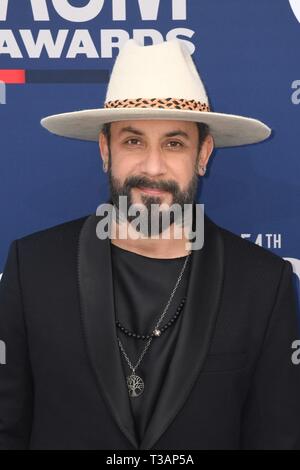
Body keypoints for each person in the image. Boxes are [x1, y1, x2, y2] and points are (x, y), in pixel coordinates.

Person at [0, 39, 299, 450]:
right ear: (106, 149)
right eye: (133, 141)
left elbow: (277, 438)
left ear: (203, 153)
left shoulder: (263, 282)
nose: (152, 167)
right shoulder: (32, 267)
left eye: (174, 143)